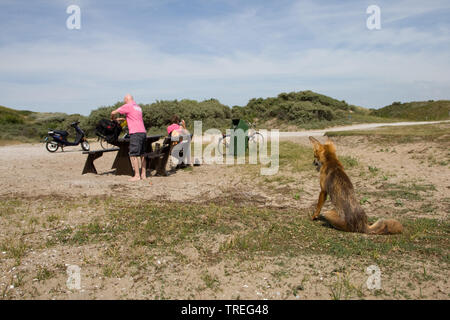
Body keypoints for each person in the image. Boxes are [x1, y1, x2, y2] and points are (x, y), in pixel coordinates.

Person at [111, 94, 147, 181]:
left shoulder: (128, 105)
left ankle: (137, 175)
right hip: (143, 132)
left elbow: (113, 112)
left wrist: (113, 119)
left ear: (126, 100)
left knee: (133, 154)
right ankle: (143, 174)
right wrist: (121, 119)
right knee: (142, 154)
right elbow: (132, 117)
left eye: (124, 101)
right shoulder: (138, 107)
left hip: (135, 132)